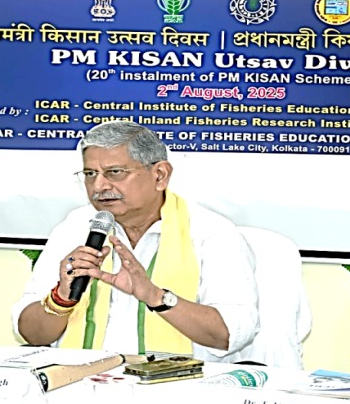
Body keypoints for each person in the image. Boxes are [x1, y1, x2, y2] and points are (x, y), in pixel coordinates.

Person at [13, 121, 259, 360]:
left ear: (160, 175)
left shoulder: (212, 233)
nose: (99, 186)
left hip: (178, 383)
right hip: (81, 379)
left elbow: (229, 336)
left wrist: (156, 296)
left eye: (115, 172)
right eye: (90, 174)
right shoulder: (75, 227)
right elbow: (32, 334)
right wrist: (62, 297)